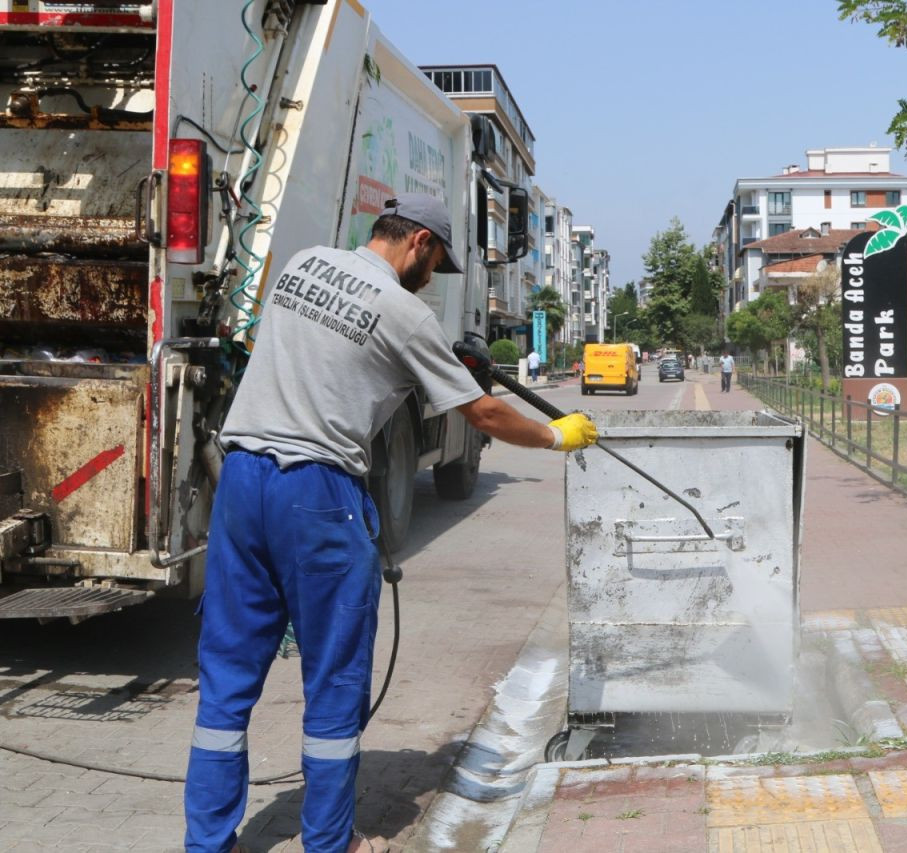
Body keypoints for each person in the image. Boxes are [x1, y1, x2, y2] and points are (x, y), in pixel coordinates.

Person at [184, 193, 597, 853]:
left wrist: (428, 364)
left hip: (241, 478)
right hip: (314, 493)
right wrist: (555, 434)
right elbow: (484, 415)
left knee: (227, 676)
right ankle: (327, 842)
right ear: (421, 244)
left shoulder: (302, 264)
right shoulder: (405, 312)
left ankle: (206, 842)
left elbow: (330, 354)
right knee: (333, 678)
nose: (431, 276)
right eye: (435, 262)